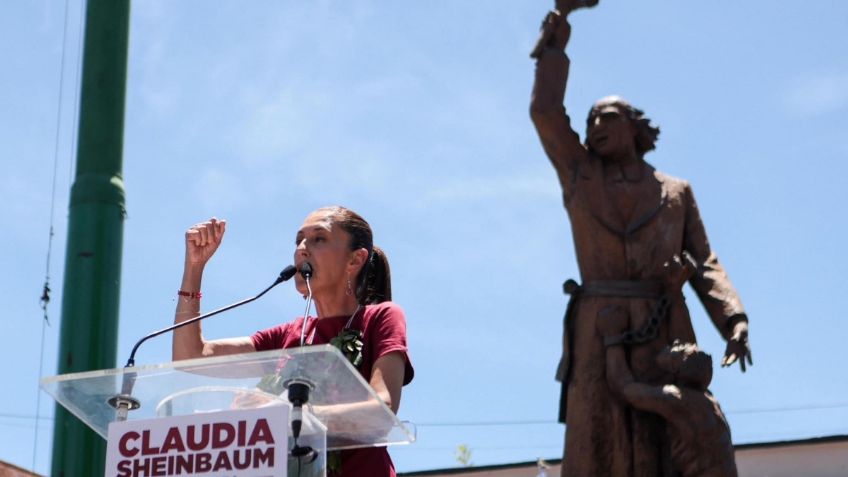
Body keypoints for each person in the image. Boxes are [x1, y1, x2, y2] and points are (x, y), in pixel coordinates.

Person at [529, 3, 752, 476]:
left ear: (635, 127)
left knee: (663, 450)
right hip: (599, 327)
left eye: (607, 118)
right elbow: (546, 112)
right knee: (596, 447)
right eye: (590, 121)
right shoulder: (579, 174)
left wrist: (732, 318)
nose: (595, 127)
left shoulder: (675, 191)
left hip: (664, 329)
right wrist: (557, 37)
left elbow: (705, 261)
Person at [171, 206, 414, 477]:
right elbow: (190, 357)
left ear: (355, 260)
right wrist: (194, 268)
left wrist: (285, 415)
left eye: (318, 238)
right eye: (298, 240)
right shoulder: (288, 335)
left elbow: (381, 411)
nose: (301, 248)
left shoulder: (381, 317)